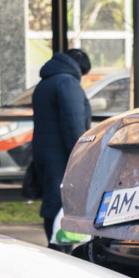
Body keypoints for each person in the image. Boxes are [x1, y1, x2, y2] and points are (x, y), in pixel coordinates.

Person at [32, 48, 92, 242]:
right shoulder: (67, 83)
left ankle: (55, 243)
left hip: (45, 152)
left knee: (52, 201)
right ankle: (58, 247)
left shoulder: (45, 82)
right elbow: (73, 125)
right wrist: (81, 157)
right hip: (61, 156)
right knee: (60, 202)